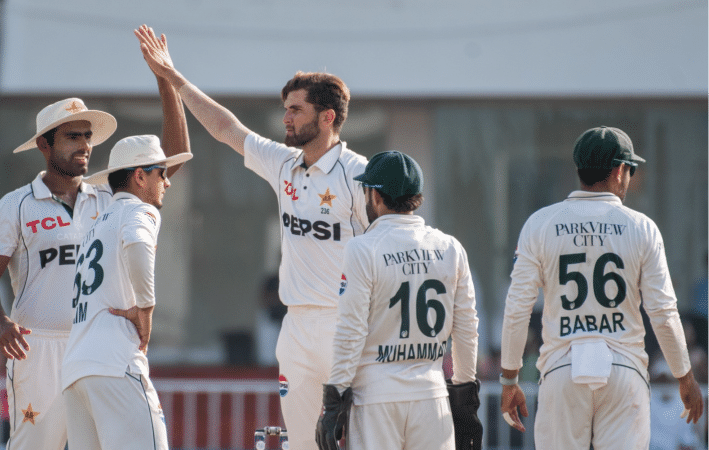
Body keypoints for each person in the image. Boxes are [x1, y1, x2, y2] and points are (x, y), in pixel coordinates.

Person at [134, 24, 369, 449]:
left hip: (347, 324)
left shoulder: (360, 173)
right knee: (301, 442)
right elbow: (226, 129)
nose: (287, 117)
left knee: (356, 440)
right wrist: (174, 77)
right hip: (295, 325)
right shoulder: (284, 163)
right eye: (287, 108)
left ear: (328, 117)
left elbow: (389, 247)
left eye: (296, 109)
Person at [0, 65, 190, 448]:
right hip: (36, 347)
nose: (85, 145)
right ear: (44, 144)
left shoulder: (111, 196)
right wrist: (0, 322)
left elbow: (168, 164)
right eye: (73, 136)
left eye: (88, 137)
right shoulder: (15, 205)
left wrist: (166, 83)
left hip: (92, 342)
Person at [500, 126, 704, 448]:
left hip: (561, 367)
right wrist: (685, 377)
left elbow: (517, 308)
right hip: (623, 369)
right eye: (630, 169)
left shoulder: (540, 224)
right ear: (619, 170)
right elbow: (662, 312)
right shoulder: (642, 228)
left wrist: (509, 379)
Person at [317, 151, 481, 450]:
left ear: (376, 196)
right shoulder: (450, 248)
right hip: (432, 397)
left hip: (376, 398)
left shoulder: (363, 248)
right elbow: (467, 329)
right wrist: (465, 397)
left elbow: (351, 330)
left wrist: (334, 399)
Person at [60, 134, 191, 449]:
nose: (168, 182)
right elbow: (137, 243)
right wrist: (146, 308)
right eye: (161, 172)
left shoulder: (97, 225)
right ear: (140, 175)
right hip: (115, 362)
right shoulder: (138, 210)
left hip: (76, 369)